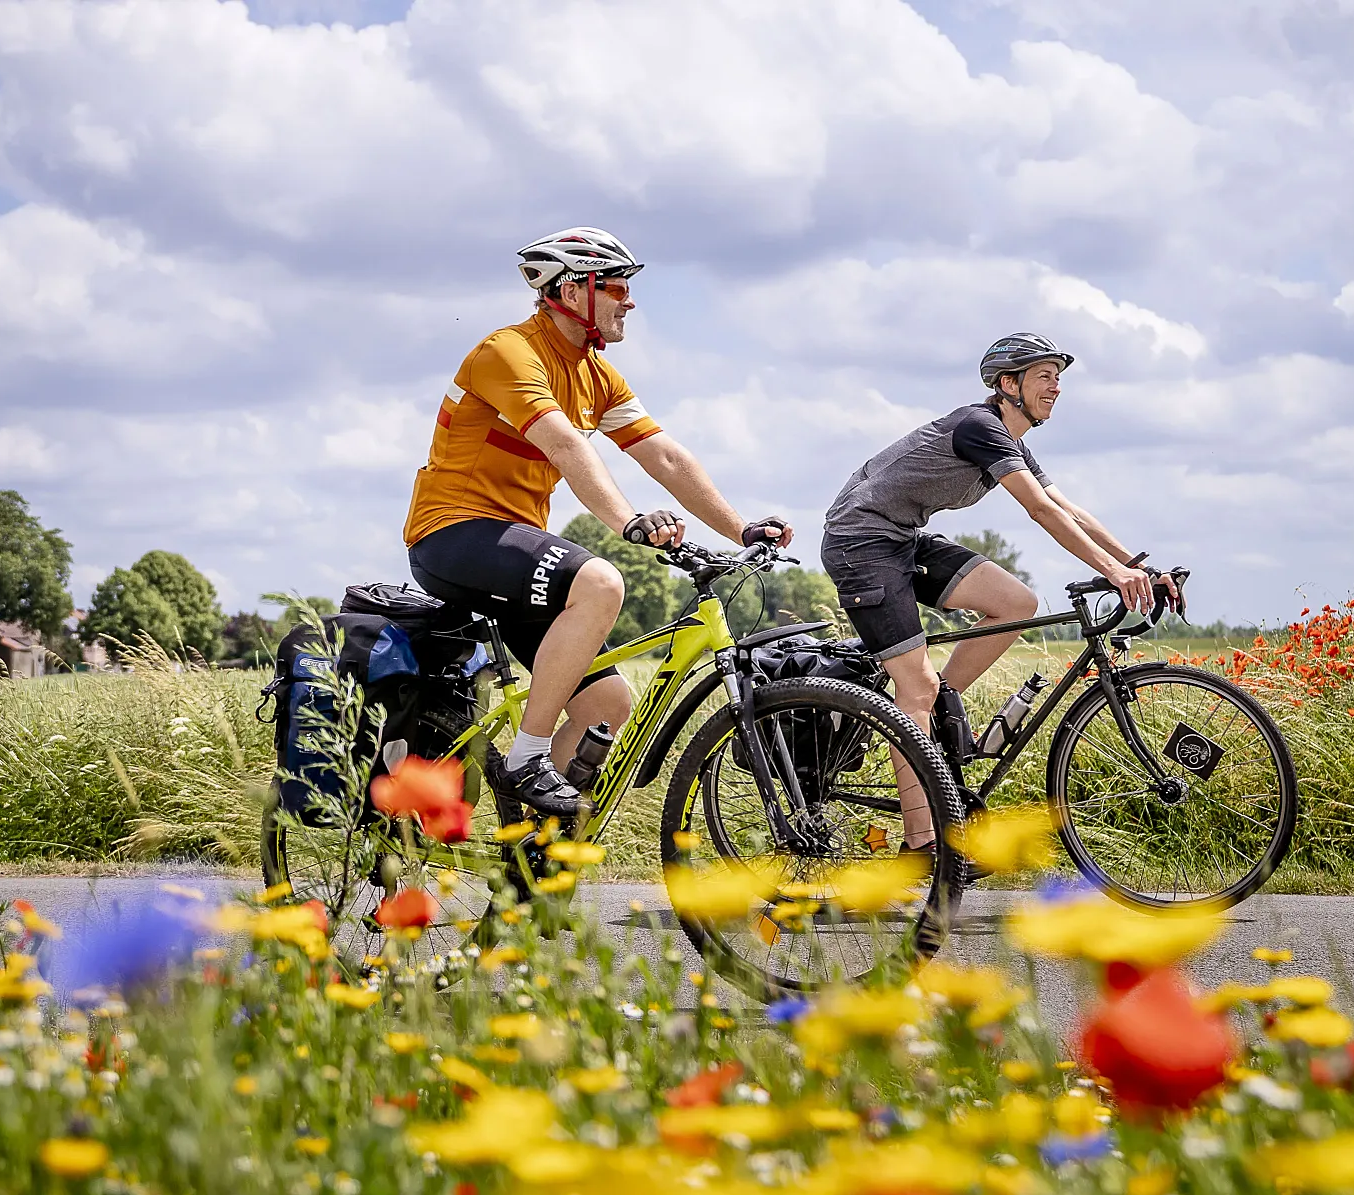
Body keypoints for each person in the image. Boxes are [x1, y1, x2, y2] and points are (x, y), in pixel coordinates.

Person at [403, 227, 791, 816]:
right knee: (601, 581)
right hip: (452, 532)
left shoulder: (596, 375)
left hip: (515, 547)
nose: (629, 300)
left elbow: (663, 455)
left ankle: (526, 861)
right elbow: (567, 447)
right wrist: (630, 521)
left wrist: (739, 530)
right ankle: (526, 759)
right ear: (569, 290)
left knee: (607, 705)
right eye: (614, 286)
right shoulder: (507, 353)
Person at [820, 332, 1179, 844]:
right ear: (1008, 384)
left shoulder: (1011, 443)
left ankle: (934, 709)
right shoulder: (978, 427)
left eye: (1058, 377)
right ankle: (924, 842)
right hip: (861, 542)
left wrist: (1138, 565)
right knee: (913, 689)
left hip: (904, 538)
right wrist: (1115, 574)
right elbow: (1039, 511)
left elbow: (1068, 508)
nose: (1055, 387)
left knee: (1016, 604)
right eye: (1043, 376)